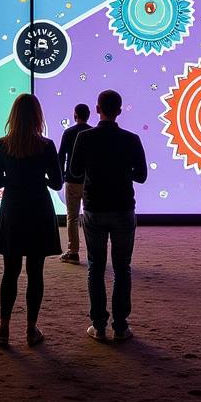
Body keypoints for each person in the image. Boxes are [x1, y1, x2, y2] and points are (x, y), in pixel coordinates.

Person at [0, 94, 62, 347]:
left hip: (14, 207)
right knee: (35, 272)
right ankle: (31, 328)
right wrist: (39, 179)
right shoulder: (47, 145)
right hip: (39, 207)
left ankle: (4, 327)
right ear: (38, 116)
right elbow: (58, 182)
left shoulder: (2, 144)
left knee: (10, 271)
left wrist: (15, 179)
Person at [70, 89, 147, 342]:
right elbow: (142, 176)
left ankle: (99, 325)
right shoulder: (131, 139)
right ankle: (121, 326)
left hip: (94, 208)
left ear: (97, 109)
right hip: (124, 207)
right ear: (120, 111)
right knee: (122, 268)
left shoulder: (84, 137)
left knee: (96, 267)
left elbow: (76, 171)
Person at [57, 103, 90, 264]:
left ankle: (73, 251)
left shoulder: (68, 132)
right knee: (91, 216)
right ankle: (93, 250)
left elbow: (61, 155)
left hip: (72, 180)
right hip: (90, 180)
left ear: (75, 115)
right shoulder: (92, 133)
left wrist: (62, 175)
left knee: (72, 217)